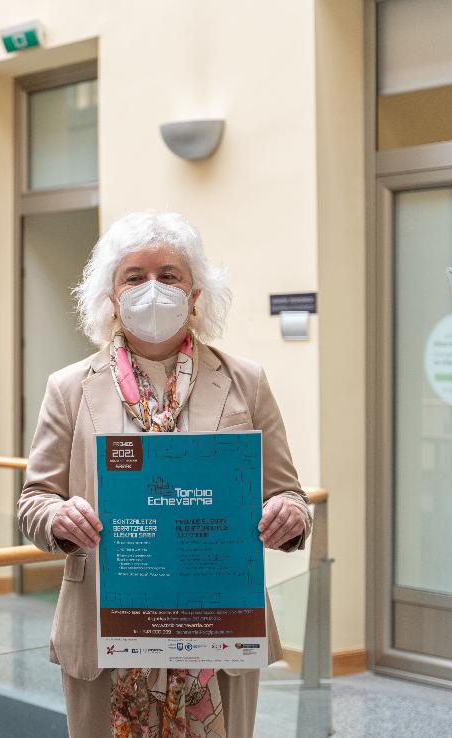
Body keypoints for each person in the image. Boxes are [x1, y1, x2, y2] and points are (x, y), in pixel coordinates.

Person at [16, 211, 312, 738]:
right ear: (111, 292)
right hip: (105, 628)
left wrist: (289, 513)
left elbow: (287, 490)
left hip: (218, 626)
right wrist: (60, 517)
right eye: (134, 276)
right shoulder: (70, 387)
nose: (152, 289)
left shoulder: (246, 382)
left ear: (195, 292)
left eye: (169, 275)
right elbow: (35, 500)